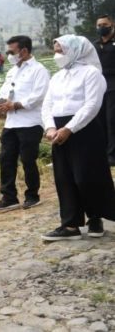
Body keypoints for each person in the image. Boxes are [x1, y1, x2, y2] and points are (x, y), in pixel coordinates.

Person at [41, 35, 115, 241]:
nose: (57, 55)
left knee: (87, 176)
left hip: (85, 129)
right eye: (55, 50)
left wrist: (69, 129)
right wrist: (49, 127)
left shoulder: (91, 74)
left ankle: (95, 217)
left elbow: (91, 106)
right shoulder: (57, 77)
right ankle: (70, 224)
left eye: (60, 50)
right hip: (58, 130)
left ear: (75, 50)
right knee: (64, 177)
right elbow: (47, 105)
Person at [0, 36, 50, 212]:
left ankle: (32, 195)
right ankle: (9, 197)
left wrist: (16, 105)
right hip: (11, 123)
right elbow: (4, 90)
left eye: (11, 51)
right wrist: (1, 102)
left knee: (28, 159)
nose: (8, 55)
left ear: (24, 51)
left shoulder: (39, 70)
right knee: (6, 158)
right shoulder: (12, 71)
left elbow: (39, 95)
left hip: (30, 122)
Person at [94, 14, 115, 165]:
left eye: (105, 24)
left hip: (113, 85)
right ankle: (102, 152)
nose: (102, 27)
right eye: (99, 25)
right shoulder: (94, 45)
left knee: (111, 119)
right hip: (98, 86)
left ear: (112, 24)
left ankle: (112, 154)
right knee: (99, 120)